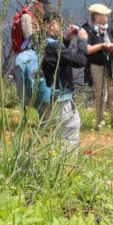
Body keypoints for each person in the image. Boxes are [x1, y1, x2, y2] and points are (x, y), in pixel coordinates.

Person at [41, 14, 89, 151]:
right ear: (48, 26)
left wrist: (66, 39)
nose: (59, 27)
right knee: (71, 127)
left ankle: (53, 163)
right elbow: (79, 61)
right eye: (56, 24)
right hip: (60, 96)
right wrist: (82, 41)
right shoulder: (54, 46)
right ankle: (68, 165)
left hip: (46, 94)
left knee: (56, 131)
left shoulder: (40, 42)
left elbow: (56, 59)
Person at [82, 3, 113, 131]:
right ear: (96, 16)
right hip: (97, 65)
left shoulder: (108, 28)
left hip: (111, 64)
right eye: (105, 15)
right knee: (101, 94)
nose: (107, 17)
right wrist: (102, 46)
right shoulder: (86, 29)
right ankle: (100, 122)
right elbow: (87, 49)